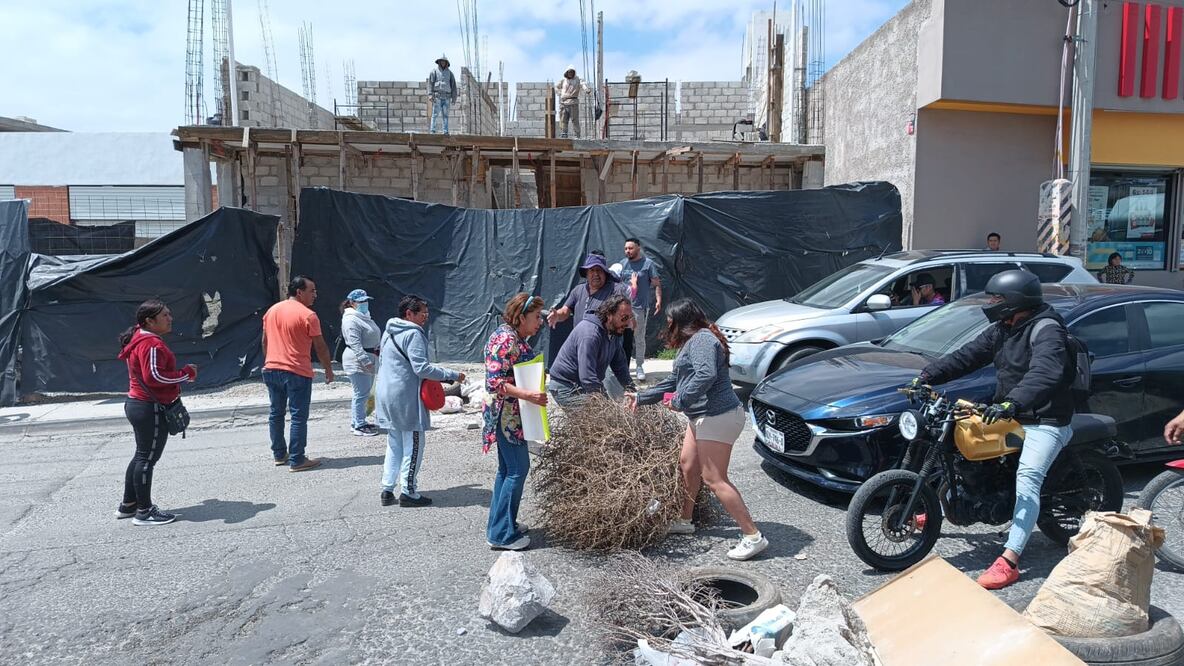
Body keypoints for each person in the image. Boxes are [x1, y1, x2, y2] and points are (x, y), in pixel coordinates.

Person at [911, 269, 1074, 589]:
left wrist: (1013, 402)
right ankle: (947, 506)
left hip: (1045, 418)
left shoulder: (1047, 329)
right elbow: (966, 356)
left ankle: (1010, 559)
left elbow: (1046, 371)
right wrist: (927, 375)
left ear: (1014, 301)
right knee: (960, 445)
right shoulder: (1004, 327)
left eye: (996, 298)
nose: (991, 303)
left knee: (1028, 478)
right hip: (1011, 412)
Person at [628, 299, 769, 561]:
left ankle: (753, 536)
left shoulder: (703, 340)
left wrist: (680, 401)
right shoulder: (693, 342)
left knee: (715, 479)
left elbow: (705, 375)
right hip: (702, 417)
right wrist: (642, 397)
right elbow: (674, 381)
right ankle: (685, 520)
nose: (667, 325)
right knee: (687, 465)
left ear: (682, 321)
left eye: (670, 321)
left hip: (718, 416)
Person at [375, 295, 465, 507]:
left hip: (385, 392)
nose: (425, 316)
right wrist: (451, 374)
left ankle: (387, 489)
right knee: (414, 443)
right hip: (405, 396)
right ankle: (409, 492)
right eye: (422, 312)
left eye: (426, 312)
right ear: (409, 314)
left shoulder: (388, 331)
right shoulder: (413, 334)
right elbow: (421, 368)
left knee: (394, 442)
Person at [115, 300, 197, 526]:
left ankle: (128, 505)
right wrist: (186, 374)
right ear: (149, 321)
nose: (170, 318)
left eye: (170, 314)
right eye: (165, 315)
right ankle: (145, 511)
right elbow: (155, 377)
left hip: (139, 404)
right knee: (147, 458)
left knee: (141, 455)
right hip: (148, 407)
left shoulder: (140, 338)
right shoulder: (151, 343)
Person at [483, 293, 549, 551]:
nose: (539, 322)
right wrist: (528, 394)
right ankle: (501, 534)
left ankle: (501, 525)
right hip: (506, 416)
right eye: (535, 317)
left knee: (507, 470)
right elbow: (494, 382)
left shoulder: (514, 337)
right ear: (520, 317)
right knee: (517, 470)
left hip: (513, 415)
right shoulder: (505, 339)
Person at [263, 276, 334, 472]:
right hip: (296, 371)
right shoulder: (308, 315)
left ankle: (279, 454)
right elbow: (320, 346)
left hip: (271, 368)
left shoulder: (272, 310)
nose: (315, 295)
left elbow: (264, 341)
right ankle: (297, 459)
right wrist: (328, 369)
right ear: (299, 292)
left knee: (276, 413)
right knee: (298, 416)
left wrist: (268, 361)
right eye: (312, 291)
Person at [549, 295, 637, 408]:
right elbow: (588, 377)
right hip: (565, 386)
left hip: (582, 385)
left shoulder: (614, 332)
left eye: (629, 318)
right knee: (601, 418)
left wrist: (633, 392)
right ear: (609, 315)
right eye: (624, 318)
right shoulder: (590, 335)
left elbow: (620, 367)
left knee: (602, 416)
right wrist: (607, 404)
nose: (627, 323)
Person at [617, 238, 663, 381]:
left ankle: (639, 366)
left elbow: (656, 284)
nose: (627, 251)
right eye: (625, 248)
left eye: (630, 248)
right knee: (621, 338)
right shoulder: (622, 264)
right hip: (622, 308)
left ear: (638, 248)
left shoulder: (648, 264)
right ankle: (622, 366)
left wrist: (658, 300)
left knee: (639, 337)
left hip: (639, 308)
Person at [340, 289, 381, 437]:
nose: (364, 304)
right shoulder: (351, 319)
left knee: (364, 392)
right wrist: (365, 361)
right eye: (361, 301)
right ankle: (359, 424)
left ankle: (358, 420)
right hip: (357, 361)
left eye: (366, 301)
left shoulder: (363, 316)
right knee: (361, 393)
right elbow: (355, 343)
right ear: (352, 303)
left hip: (370, 357)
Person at [547, 253, 627, 327]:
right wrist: (557, 315)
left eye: (599, 270)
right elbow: (565, 311)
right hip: (580, 340)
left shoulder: (615, 289)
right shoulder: (577, 290)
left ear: (605, 273)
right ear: (586, 273)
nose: (596, 274)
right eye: (592, 270)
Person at [555, 65, 590, 138]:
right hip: (564, 103)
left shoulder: (578, 79)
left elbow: (583, 84)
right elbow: (556, 87)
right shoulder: (563, 80)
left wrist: (586, 89)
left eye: (572, 72)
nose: (570, 73)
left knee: (575, 120)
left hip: (573, 102)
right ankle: (564, 134)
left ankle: (577, 136)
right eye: (569, 72)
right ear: (566, 72)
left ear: (574, 72)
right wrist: (560, 92)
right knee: (563, 120)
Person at [427, 54, 458, 135]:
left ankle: (445, 131)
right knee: (435, 114)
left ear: (446, 63)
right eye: (441, 61)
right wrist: (430, 95)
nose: (443, 63)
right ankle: (432, 131)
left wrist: (454, 98)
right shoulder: (434, 72)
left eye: (444, 61)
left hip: (447, 97)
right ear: (439, 62)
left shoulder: (450, 74)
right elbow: (430, 84)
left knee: (445, 115)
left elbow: (454, 86)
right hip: (437, 97)